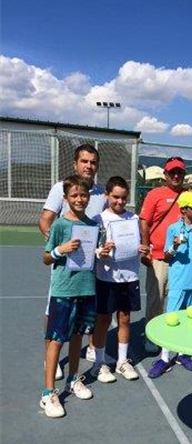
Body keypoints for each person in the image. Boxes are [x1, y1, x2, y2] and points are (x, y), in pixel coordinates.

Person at [40, 175, 106, 418]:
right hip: (63, 290)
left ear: (89, 197)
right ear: (66, 198)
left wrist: (101, 252)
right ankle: (48, 393)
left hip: (86, 288)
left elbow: (91, 254)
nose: (80, 199)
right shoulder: (59, 225)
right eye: (74, 195)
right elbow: (46, 258)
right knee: (56, 340)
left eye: (83, 195)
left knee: (78, 336)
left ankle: (73, 379)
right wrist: (61, 249)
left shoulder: (93, 225)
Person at [147, 192, 192, 379]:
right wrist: (175, 246)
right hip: (178, 281)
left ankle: (182, 354)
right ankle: (164, 357)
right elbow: (167, 256)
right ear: (183, 209)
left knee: (190, 320)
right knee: (172, 318)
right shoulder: (173, 229)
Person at [91, 176, 148, 383]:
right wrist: (100, 252)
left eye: (124, 198)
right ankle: (99, 363)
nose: (120, 201)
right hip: (106, 278)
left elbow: (140, 243)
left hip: (130, 277)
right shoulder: (98, 219)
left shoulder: (134, 218)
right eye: (115, 197)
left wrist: (143, 248)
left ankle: (122, 361)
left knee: (125, 319)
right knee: (103, 320)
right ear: (107, 195)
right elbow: (92, 249)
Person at [139, 157, 188, 353]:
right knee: (156, 299)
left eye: (179, 172)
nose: (176, 175)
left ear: (184, 174)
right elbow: (144, 222)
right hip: (159, 257)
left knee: (179, 299)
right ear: (165, 174)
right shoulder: (155, 194)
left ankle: (173, 338)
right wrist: (145, 247)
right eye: (172, 172)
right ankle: (152, 336)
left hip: (183, 259)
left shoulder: (190, 195)